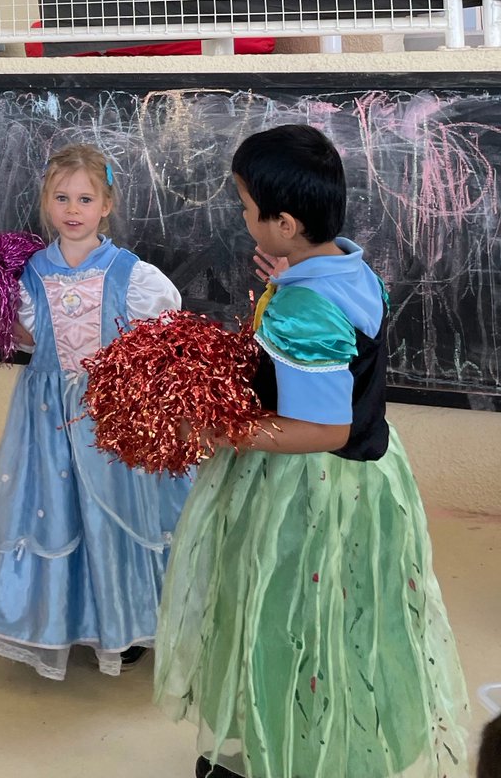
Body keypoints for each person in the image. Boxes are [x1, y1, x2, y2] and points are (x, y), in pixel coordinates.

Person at [154, 124, 470, 778]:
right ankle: (322, 741)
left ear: (286, 223)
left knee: (283, 610)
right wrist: (288, 278)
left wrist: (223, 430)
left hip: (308, 490)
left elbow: (321, 428)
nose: (241, 218)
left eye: (246, 208)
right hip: (369, 477)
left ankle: (285, 753)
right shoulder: (352, 268)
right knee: (344, 614)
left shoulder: (304, 309)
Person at [0, 142, 192, 679]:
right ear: (46, 201)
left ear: (105, 205)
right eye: (61, 197)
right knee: (54, 509)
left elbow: (163, 326)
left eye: (85, 198)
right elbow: (28, 337)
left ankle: (122, 619)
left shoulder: (131, 274)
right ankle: (58, 615)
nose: (72, 209)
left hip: (107, 414)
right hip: (45, 416)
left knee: (113, 509)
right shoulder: (33, 272)